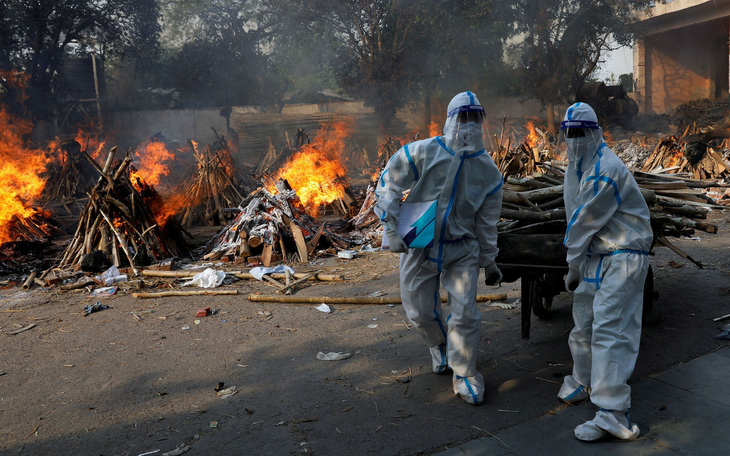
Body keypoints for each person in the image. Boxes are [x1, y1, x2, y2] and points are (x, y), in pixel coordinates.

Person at [374, 91, 503, 405]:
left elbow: (487, 221)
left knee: (466, 313)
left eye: (475, 119)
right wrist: (390, 227)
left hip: (462, 247)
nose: (469, 126)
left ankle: (465, 372)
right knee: (418, 311)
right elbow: (389, 181)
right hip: (421, 242)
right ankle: (440, 345)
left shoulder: (488, 171)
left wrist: (490, 259)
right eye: (463, 118)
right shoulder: (423, 152)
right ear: (450, 120)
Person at [557, 102, 653, 441]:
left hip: (623, 254)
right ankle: (584, 380)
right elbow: (575, 215)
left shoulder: (605, 169)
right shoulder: (577, 165)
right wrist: (580, 263)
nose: (574, 139)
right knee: (584, 321)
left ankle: (614, 413)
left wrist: (571, 261)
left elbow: (583, 221)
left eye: (580, 132)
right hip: (598, 256)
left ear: (595, 132)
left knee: (612, 329)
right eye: (569, 133)